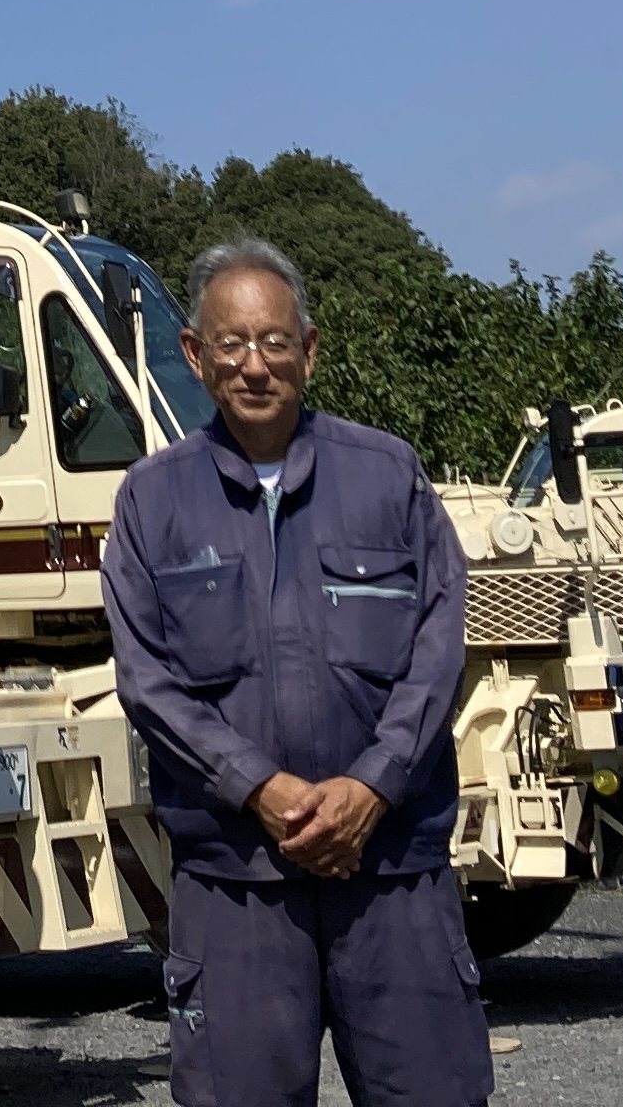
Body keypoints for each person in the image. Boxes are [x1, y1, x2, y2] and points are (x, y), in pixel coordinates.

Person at [105, 240, 483, 1107]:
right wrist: (260, 789)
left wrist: (373, 788)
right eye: (231, 344)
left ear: (309, 351)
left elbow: (439, 646)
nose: (254, 365)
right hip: (238, 882)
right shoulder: (152, 501)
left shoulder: (387, 476)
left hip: (391, 873)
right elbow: (147, 681)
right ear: (195, 355)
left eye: (275, 342)